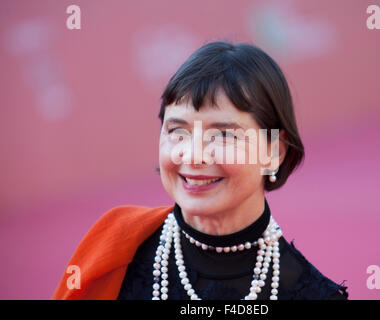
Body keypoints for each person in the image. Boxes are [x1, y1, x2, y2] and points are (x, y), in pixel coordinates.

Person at [53, 40, 348, 300]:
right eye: (177, 131)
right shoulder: (114, 251)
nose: (193, 156)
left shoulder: (311, 294)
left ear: (273, 152)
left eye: (222, 135)